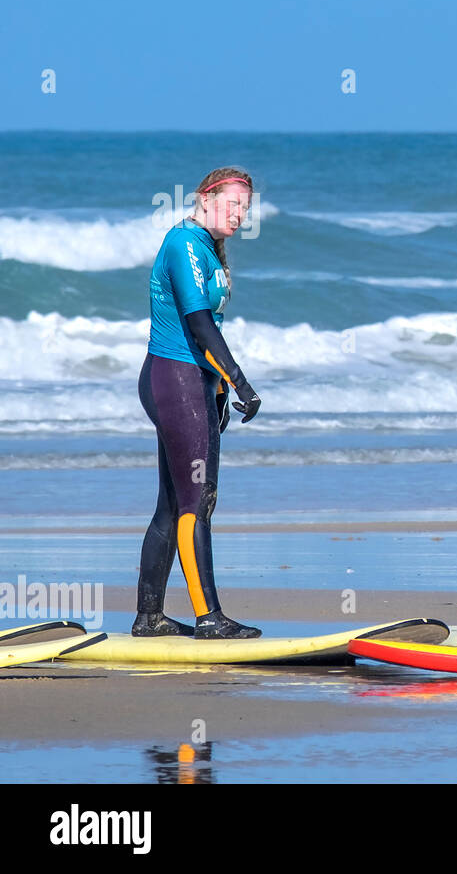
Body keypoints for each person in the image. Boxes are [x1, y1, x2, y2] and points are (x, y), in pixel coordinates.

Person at [136, 167, 262, 639]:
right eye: (233, 204)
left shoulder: (206, 247)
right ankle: (209, 618)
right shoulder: (184, 244)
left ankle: (148, 617)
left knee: (173, 504)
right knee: (197, 500)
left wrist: (220, 388)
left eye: (246, 209)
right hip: (175, 380)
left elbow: (210, 329)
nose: (240, 215)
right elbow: (199, 325)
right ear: (206, 198)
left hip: (189, 383)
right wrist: (240, 380)